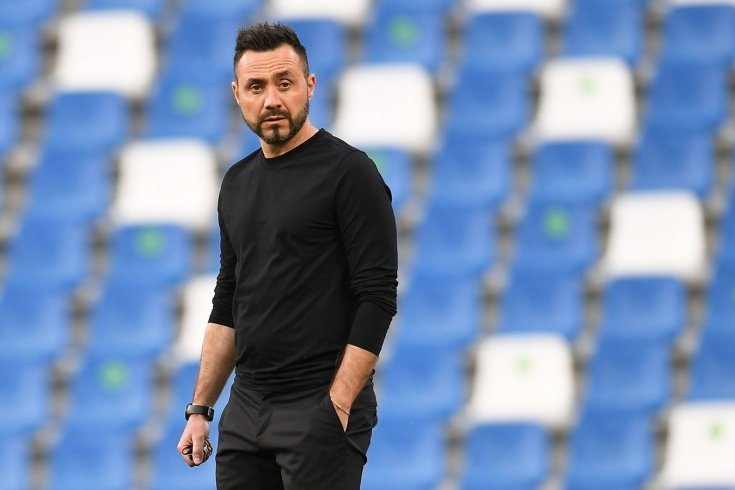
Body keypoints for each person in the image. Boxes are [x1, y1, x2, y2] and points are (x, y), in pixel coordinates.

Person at [176, 22, 398, 490]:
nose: (272, 99)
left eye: (285, 83)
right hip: (247, 405)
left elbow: (377, 296)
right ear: (237, 94)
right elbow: (228, 299)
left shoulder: (350, 173)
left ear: (309, 85)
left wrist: (338, 403)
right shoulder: (237, 182)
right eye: (256, 86)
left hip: (318, 401)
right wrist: (200, 408)